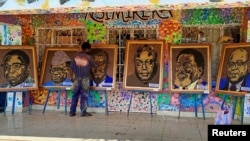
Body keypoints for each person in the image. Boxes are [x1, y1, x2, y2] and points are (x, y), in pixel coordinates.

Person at [69, 42, 98, 117]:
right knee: (84, 95)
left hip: (77, 78)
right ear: (88, 49)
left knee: (75, 95)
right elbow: (96, 66)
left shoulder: (75, 57)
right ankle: (83, 112)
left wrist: (71, 77)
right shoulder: (89, 57)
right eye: (90, 49)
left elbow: (71, 68)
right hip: (85, 79)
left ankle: (72, 112)